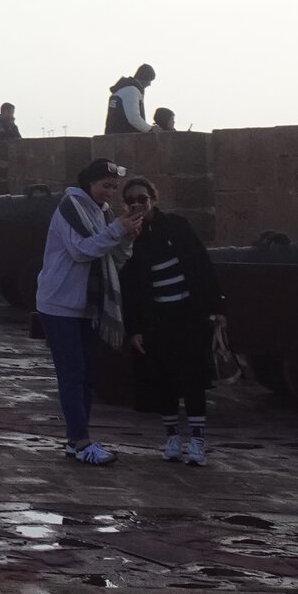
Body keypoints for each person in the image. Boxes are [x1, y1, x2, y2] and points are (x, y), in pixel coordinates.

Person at [35, 158, 146, 465]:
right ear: (90, 183)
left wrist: (126, 235)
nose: (109, 193)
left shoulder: (102, 213)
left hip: (87, 305)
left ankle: (76, 439)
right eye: (104, 186)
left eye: (113, 187)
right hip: (61, 303)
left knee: (86, 375)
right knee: (72, 374)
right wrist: (115, 231)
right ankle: (82, 442)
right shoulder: (72, 206)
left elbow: (115, 257)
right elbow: (81, 250)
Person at [120, 176, 224, 466]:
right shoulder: (129, 236)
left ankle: (198, 441)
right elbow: (129, 286)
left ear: (153, 198)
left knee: (193, 379)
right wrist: (135, 328)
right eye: (132, 201)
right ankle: (172, 438)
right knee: (164, 380)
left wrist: (217, 308)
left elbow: (202, 265)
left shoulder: (177, 226)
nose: (138, 204)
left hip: (189, 314)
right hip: (157, 319)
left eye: (143, 198)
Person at [105, 64, 156, 133]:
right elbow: (134, 118)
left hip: (113, 135)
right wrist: (150, 129)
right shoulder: (131, 91)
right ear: (144, 78)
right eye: (149, 80)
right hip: (124, 136)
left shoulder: (121, 89)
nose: (149, 84)